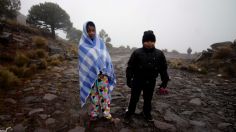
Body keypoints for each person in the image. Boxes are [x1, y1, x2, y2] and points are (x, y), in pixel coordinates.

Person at [125, 30, 169, 122]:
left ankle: (146, 112)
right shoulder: (137, 52)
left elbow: (163, 68)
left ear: (154, 42)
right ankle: (129, 113)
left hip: (151, 80)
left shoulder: (159, 54)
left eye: (152, 41)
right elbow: (130, 66)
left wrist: (165, 80)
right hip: (137, 80)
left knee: (148, 98)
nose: (149, 43)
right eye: (147, 41)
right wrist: (129, 78)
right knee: (134, 98)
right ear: (143, 41)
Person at [78, 21, 116, 120]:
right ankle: (94, 114)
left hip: (103, 75)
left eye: (93, 30)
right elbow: (83, 63)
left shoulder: (100, 42)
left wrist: (107, 68)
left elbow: (106, 57)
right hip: (91, 77)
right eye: (89, 31)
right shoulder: (82, 45)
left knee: (104, 96)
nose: (91, 33)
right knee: (94, 97)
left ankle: (106, 113)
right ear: (85, 32)